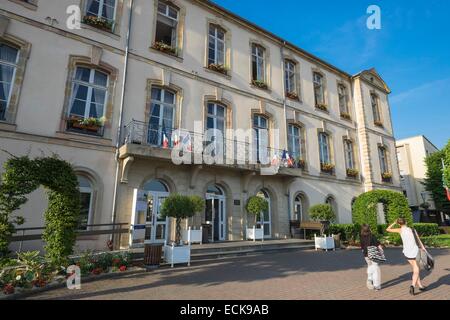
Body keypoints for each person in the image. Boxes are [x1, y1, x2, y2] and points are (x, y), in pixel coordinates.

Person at [386, 218, 427, 295]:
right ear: (406, 222)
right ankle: (412, 286)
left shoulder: (399, 230)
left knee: (414, 268)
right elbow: (418, 239)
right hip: (414, 251)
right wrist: (423, 247)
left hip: (407, 252)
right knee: (416, 269)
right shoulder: (412, 229)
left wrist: (394, 223)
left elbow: (388, 229)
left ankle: (420, 286)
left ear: (399, 224)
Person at [360, 224, 383, 291]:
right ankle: (377, 286)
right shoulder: (372, 236)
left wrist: (364, 252)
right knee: (375, 268)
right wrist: (381, 250)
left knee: (370, 266)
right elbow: (377, 243)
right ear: (369, 229)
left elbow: (362, 246)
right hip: (373, 253)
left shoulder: (361, 236)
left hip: (366, 254)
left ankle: (369, 280)